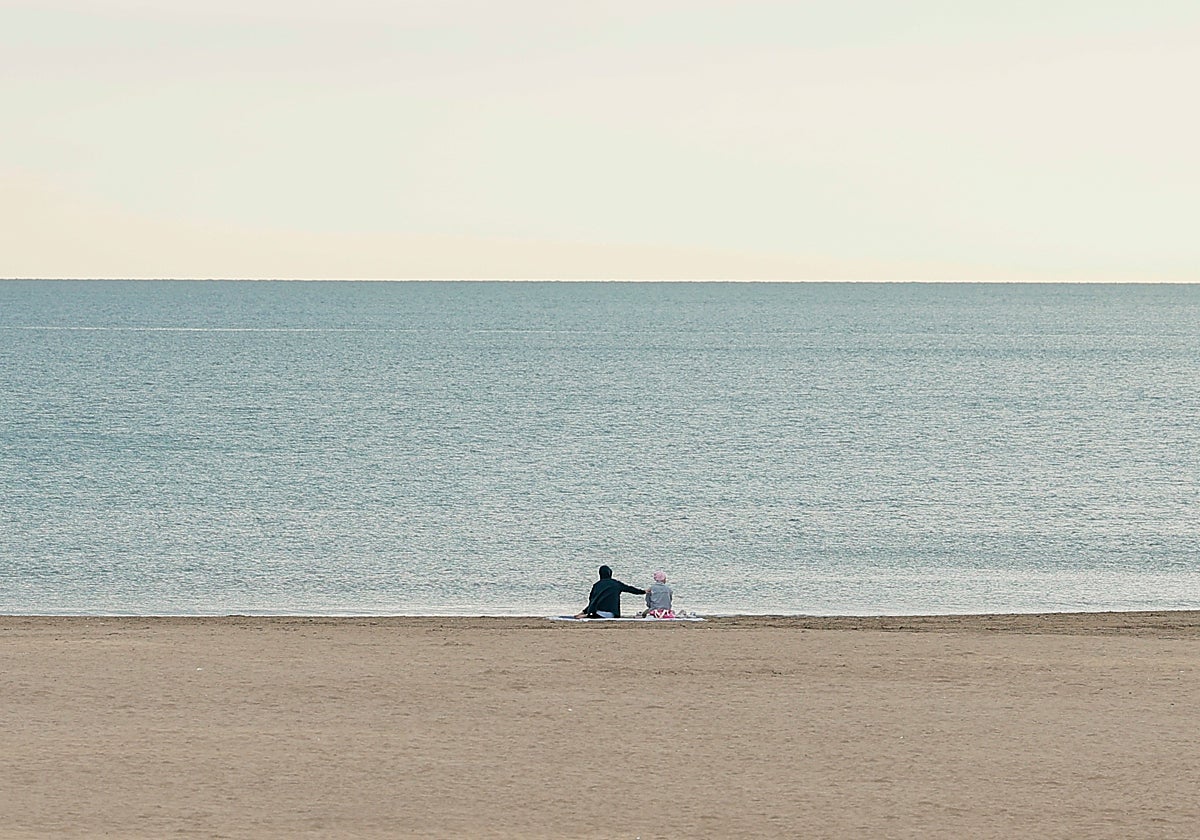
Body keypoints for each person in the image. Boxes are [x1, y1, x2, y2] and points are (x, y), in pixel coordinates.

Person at [574, 565, 646, 619]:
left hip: (597, 612)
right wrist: (643, 592)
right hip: (613, 614)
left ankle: (587, 615)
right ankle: (587, 615)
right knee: (599, 613)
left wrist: (584, 611)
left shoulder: (597, 585)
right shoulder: (616, 584)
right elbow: (630, 589)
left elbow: (592, 601)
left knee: (596, 611)